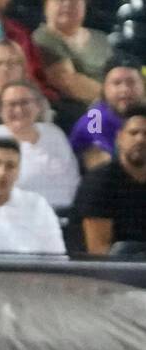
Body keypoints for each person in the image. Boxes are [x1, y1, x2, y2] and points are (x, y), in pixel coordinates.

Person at [0, 81, 80, 210]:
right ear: (0, 110)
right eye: (11, 104)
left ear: (38, 106)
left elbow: (73, 176)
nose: (18, 109)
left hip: (67, 213)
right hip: (20, 215)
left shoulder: (53, 132)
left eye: (25, 102)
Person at [31, 0, 112, 121]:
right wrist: (118, 97)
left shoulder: (101, 38)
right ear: (46, 5)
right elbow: (69, 82)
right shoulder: (42, 38)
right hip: (72, 114)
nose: (67, 4)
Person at [74, 103, 146, 256]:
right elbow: (98, 252)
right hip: (105, 275)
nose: (140, 139)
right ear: (119, 137)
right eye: (133, 133)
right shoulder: (99, 182)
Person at [68, 59, 146, 171]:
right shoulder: (93, 122)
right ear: (104, 88)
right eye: (116, 83)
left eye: (131, 82)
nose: (124, 89)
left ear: (143, 87)